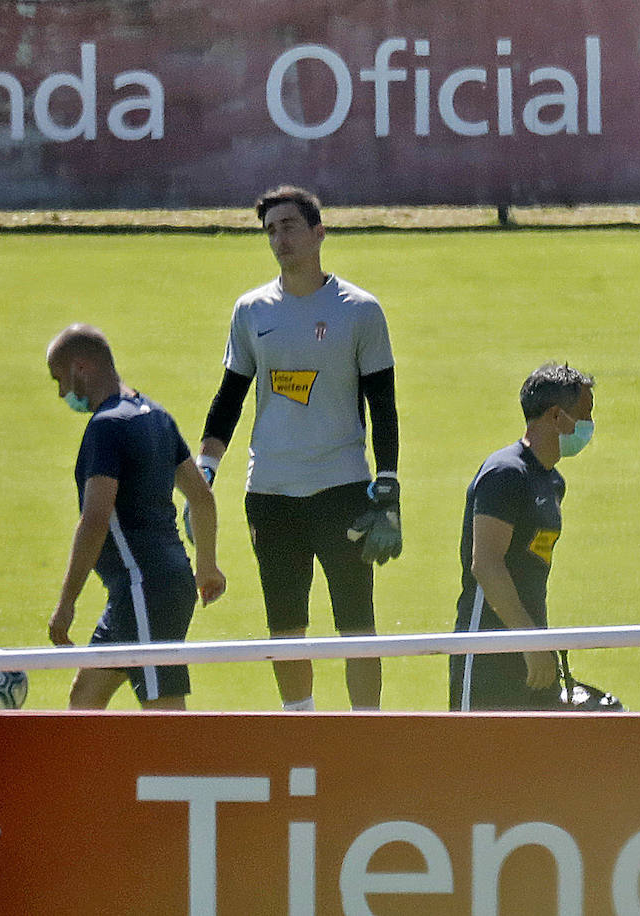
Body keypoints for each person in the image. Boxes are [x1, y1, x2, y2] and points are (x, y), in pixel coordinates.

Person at [193, 185, 401, 711]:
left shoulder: (360, 310)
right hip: (270, 493)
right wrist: (204, 473)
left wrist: (389, 487)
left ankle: (366, 730)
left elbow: (383, 405)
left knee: (357, 621)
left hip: (343, 489)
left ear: (318, 233)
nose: (279, 239)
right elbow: (229, 399)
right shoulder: (250, 310)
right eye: (270, 231)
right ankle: (301, 727)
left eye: (289, 227)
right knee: (285, 625)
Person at [47, 324, 226, 710]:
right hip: (151, 587)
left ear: (80, 368)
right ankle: (93, 774)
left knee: (163, 712)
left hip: (143, 587)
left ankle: (191, 771)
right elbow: (202, 497)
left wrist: (67, 603)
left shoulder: (107, 427)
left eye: (59, 379)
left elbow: (95, 520)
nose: (62, 393)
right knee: (85, 700)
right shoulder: (155, 416)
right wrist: (206, 566)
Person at [450, 363, 595, 710]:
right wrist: (529, 641)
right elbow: (485, 564)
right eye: (584, 415)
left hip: (530, 645)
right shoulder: (505, 473)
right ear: (556, 416)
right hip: (487, 651)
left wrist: (536, 641)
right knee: (479, 760)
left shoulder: (552, 481)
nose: (589, 426)